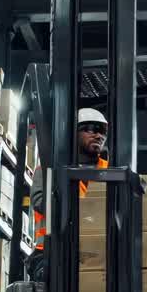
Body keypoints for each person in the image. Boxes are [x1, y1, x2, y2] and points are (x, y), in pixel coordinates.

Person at [27, 108, 109, 278]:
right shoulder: (50, 170)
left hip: (97, 248)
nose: (98, 136)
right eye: (91, 129)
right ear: (73, 134)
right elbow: (41, 203)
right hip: (53, 248)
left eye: (102, 132)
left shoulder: (110, 173)